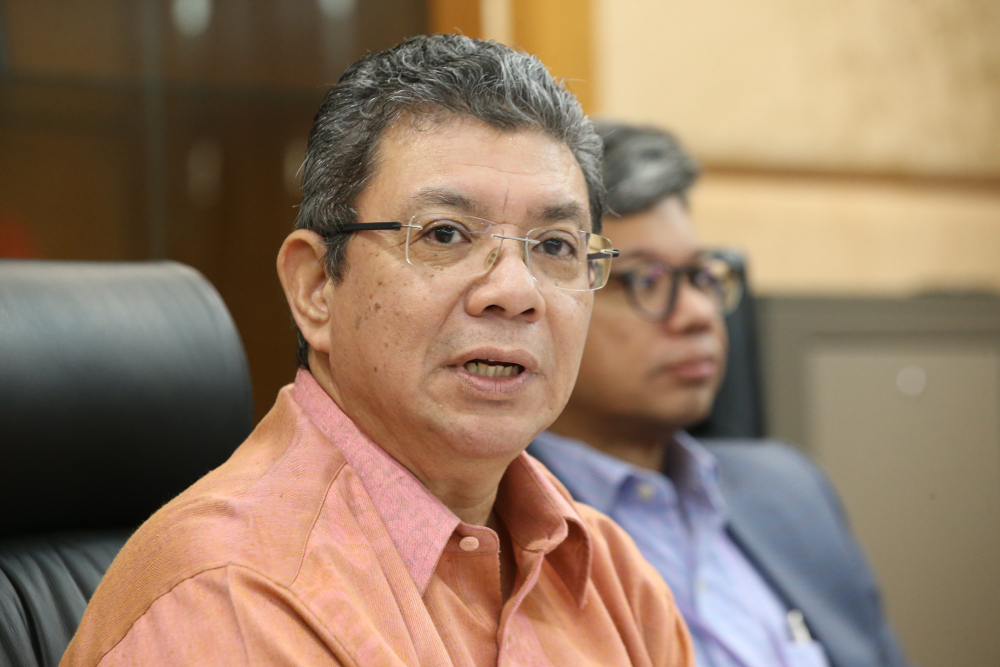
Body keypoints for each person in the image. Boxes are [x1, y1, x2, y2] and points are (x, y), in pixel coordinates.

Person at [61, 37, 694, 667]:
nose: (515, 292)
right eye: (445, 234)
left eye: (555, 246)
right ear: (315, 288)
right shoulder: (231, 597)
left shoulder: (612, 579)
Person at [528, 121, 911, 667]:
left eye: (703, 276)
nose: (700, 315)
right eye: (645, 280)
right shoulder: (498, 529)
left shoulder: (789, 491)